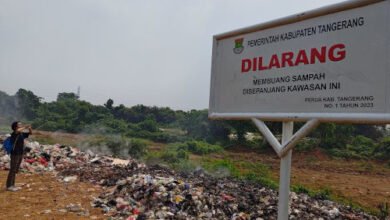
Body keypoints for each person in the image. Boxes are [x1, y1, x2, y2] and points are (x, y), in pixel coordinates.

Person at [6, 121, 32, 191]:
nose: (21, 125)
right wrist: (25, 127)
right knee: (12, 169)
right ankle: (9, 186)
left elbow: (30, 133)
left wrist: (29, 128)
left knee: (16, 170)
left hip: (20, 153)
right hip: (15, 154)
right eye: (19, 125)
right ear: (15, 127)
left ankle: (13, 185)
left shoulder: (21, 134)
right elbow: (18, 130)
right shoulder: (15, 133)